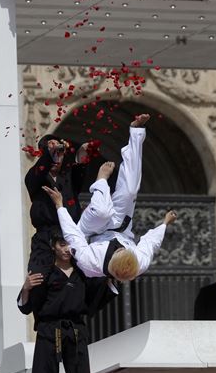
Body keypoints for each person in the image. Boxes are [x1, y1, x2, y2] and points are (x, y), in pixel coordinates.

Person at [44, 114, 178, 282]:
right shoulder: (139, 263)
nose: (118, 248)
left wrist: (59, 206)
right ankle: (136, 132)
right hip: (121, 225)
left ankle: (101, 180)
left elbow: (73, 236)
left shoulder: (91, 264)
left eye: (116, 252)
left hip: (92, 229)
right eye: (123, 250)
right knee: (130, 190)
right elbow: (151, 243)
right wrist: (164, 224)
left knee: (102, 212)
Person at [17, 229, 118, 373]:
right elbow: (27, 307)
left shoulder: (84, 273)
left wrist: (112, 277)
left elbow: (95, 297)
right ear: (53, 246)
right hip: (48, 331)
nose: (66, 249)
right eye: (62, 244)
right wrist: (26, 288)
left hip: (76, 331)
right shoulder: (45, 274)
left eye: (70, 244)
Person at [25, 134, 96, 275]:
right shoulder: (35, 177)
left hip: (70, 235)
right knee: (39, 278)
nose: (57, 158)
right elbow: (41, 168)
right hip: (46, 238)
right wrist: (50, 153)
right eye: (53, 154)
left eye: (60, 153)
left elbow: (80, 166)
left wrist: (83, 150)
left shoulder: (69, 177)